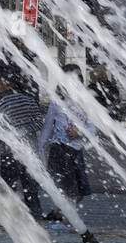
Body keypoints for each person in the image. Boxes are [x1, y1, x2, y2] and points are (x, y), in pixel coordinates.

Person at [0, 59, 45, 219]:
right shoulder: (28, 99)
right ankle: (37, 220)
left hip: (10, 154)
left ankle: (10, 221)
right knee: (31, 190)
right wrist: (25, 131)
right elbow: (40, 122)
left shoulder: (1, 103)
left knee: (8, 189)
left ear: (3, 83)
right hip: (30, 153)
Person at [39, 66, 93, 205]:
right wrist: (40, 149)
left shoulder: (87, 103)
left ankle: (61, 214)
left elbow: (92, 129)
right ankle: (64, 218)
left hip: (76, 150)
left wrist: (79, 132)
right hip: (59, 148)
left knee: (80, 190)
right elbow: (47, 128)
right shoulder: (57, 102)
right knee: (66, 188)